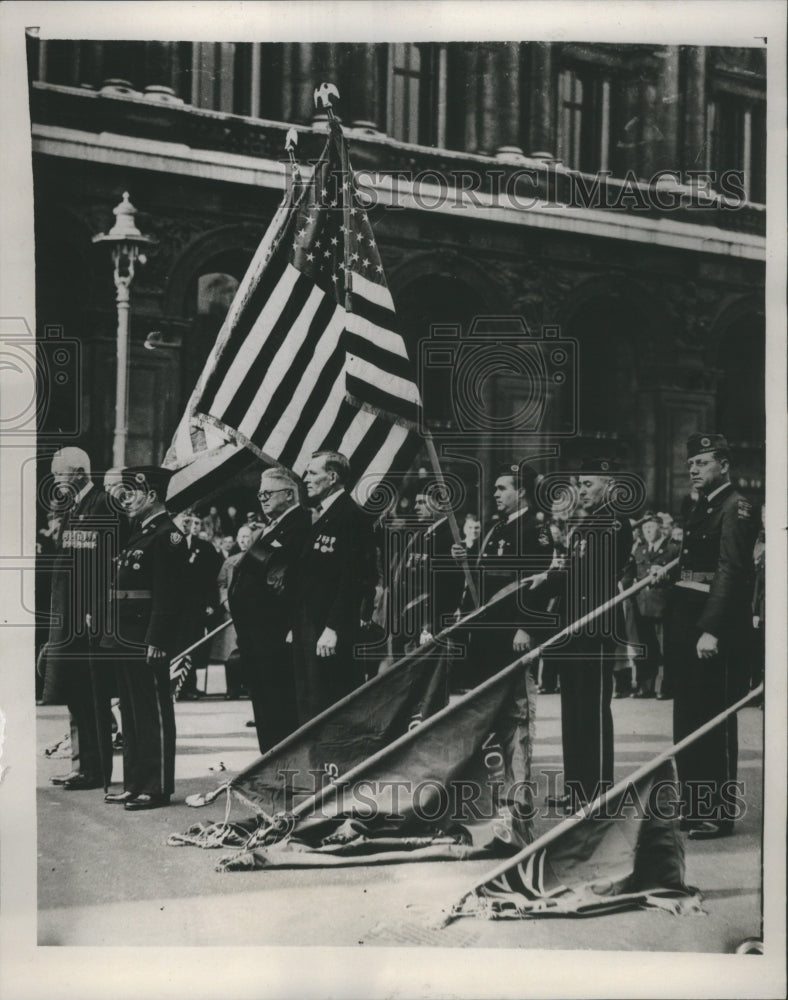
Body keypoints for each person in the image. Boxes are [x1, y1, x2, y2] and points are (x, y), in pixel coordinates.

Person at [657, 433, 757, 839]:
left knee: (714, 719)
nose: (693, 469)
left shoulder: (738, 507)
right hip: (686, 620)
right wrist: (667, 571)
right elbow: (694, 561)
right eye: (692, 463)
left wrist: (711, 629)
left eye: (702, 462)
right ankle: (695, 806)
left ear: (724, 465)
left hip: (714, 627)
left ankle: (718, 812)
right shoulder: (699, 506)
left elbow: (731, 571)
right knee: (688, 716)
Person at [536, 458, 634, 812]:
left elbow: (594, 573)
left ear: (608, 485)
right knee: (572, 709)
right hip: (573, 630)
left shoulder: (615, 523)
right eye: (579, 484)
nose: (581, 490)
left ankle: (598, 792)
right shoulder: (585, 525)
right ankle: (577, 788)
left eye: (588, 484)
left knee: (592, 710)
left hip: (595, 629)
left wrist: (556, 574)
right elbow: (572, 573)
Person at [102, 466, 189, 809]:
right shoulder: (141, 532)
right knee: (132, 711)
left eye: (133, 493)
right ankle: (135, 781)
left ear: (152, 495)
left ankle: (156, 786)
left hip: (146, 638)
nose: (126, 499)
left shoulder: (168, 536)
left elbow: (168, 596)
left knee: (152, 710)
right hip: (126, 636)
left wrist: (157, 639)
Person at [39, 447, 117, 791]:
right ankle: (82, 764)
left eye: (61, 474)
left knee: (91, 694)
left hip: (86, 616)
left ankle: (96, 770)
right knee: (75, 691)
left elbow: (103, 564)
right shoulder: (75, 506)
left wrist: (94, 610)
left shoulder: (102, 503)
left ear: (81, 473)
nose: (56, 481)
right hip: (69, 614)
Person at [290, 451, 378, 724]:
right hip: (310, 625)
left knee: (330, 706)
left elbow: (354, 580)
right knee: (309, 704)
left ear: (332, 477)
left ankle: (331, 766)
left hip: (330, 631)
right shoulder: (322, 516)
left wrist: (333, 628)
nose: (306, 479)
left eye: (313, 473)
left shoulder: (351, 517)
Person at [228, 472, 310, 752]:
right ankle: (271, 764)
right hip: (255, 634)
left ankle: (283, 768)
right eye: (260, 494)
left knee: (279, 706)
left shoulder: (300, 525)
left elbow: (291, 581)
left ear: (289, 494)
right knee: (264, 705)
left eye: (268, 494)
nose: (262, 499)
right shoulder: (272, 527)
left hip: (274, 632)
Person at [629, 512, 680, 698]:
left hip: (664, 606)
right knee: (645, 647)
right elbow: (632, 573)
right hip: (642, 605)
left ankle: (666, 687)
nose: (648, 531)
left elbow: (679, 576)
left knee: (666, 648)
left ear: (661, 528)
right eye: (645, 528)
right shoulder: (639, 549)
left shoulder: (673, 549)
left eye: (651, 527)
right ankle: (645, 686)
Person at [174, 510, 222, 698]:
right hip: (172, 606)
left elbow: (213, 578)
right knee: (174, 646)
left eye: (190, 521)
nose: (187, 525)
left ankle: (189, 686)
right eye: (183, 521)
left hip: (195, 606)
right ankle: (174, 686)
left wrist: (211, 602)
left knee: (192, 645)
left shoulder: (205, 547)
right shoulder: (166, 544)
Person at [212, 525, 253, 698]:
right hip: (232, 614)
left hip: (252, 614)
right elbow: (221, 583)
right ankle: (233, 689)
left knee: (251, 652)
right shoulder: (230, 561)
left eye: (247, 537)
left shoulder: (258, 558)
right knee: (231, 654)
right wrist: (225, 600)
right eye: (241, 537)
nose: (243, 540)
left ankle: (251, 688)